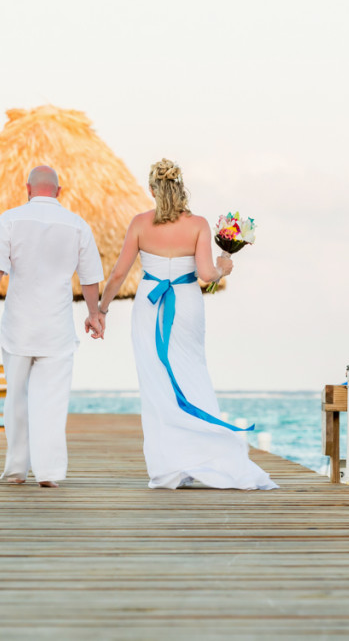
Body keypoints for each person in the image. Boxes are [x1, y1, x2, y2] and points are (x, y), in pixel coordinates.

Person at [97, 158, 278, 491]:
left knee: (156, 383)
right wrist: (224, 267)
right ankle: (205, 457)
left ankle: (169, 467)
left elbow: (119, 274)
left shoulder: (139, 223)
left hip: (150, 303)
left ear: (152, 189)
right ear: (181, 189)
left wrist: (101, 310)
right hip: (186, 303)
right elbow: (207, 275)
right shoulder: (197, 224)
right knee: (192, 372)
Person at [0, 166, 105, 488]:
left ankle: (17, 469)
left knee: (15, 397)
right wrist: (94, 314)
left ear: (27, 188)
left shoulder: (11, 219)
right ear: (59, 191)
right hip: (56, 327)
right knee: (53, 401)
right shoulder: (77, 225)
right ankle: (49, 473)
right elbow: (90, 277)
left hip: (19, 324)